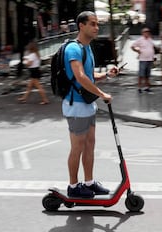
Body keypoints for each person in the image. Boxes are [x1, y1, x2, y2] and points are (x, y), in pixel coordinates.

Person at [63, 11, 119, 198]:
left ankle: (89, 182)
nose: (97, 27)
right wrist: (102, 94)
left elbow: (89, 75)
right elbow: (79, 77)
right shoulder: (73, 49)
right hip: (76, 105)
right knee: (77, 148)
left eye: (97, 24)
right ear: (81, 26)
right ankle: (73, 186)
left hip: (88, 104)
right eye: (93, 24)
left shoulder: (87, 48)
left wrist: (107, 75)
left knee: (89, 145)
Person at [131, 27, 155, 93]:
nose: (147, 33)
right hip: (143, 59)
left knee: (147, 74)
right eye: (145, 32)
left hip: (149, 59)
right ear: (143, 33)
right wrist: (137, 51)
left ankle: (147, 87)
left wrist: (153, 56)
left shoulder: (150, 39)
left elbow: (152, 47)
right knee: (141, 74)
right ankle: (139, 87)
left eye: (148, 32)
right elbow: (132, 46)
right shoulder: (140, 40)